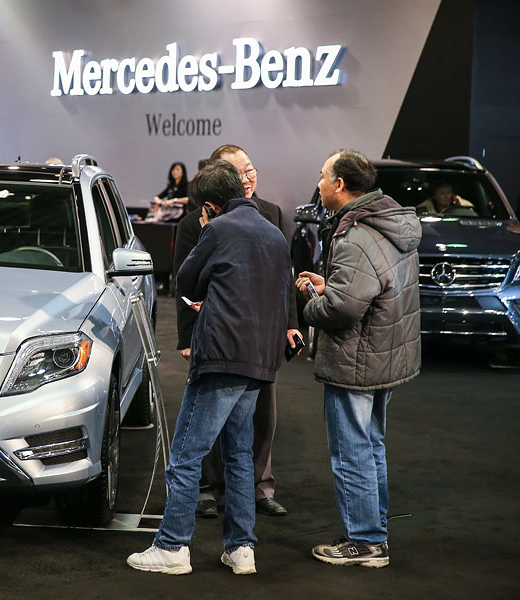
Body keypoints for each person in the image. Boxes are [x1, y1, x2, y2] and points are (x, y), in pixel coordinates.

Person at [127, 160, 291, 576]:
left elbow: (186, 281)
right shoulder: (274, 232)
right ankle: (241, 549)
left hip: (221, 356)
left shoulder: (217, 228)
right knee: (239, 456)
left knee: (186, 454)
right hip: (260, 361)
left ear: (211, 205)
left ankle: (172, 547)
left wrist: (204, 231)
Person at [296, 149, 421, 568]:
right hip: (386, 354)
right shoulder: (388, 223)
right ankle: (375, 529)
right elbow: (371, 287)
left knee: (351, 449)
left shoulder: (356, 235)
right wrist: (332, 283)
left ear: (340, 185)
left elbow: (343, 310)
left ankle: (366, 541)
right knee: (370, 445)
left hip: (357, 359)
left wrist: (313, 303)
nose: (318, 183)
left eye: (322, 176)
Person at [174, 144, 300, 520]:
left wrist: (291, 324)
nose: (246, 179)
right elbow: (184, 286)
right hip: (217, 337)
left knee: (258, 419)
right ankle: (213, 492)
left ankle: (260, 489)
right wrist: (185, 339)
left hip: (259, 335)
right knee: (215, 425)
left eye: (250, 171)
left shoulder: (271, 215)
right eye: (238, 174)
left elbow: (284, 278)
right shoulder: (193, 223)